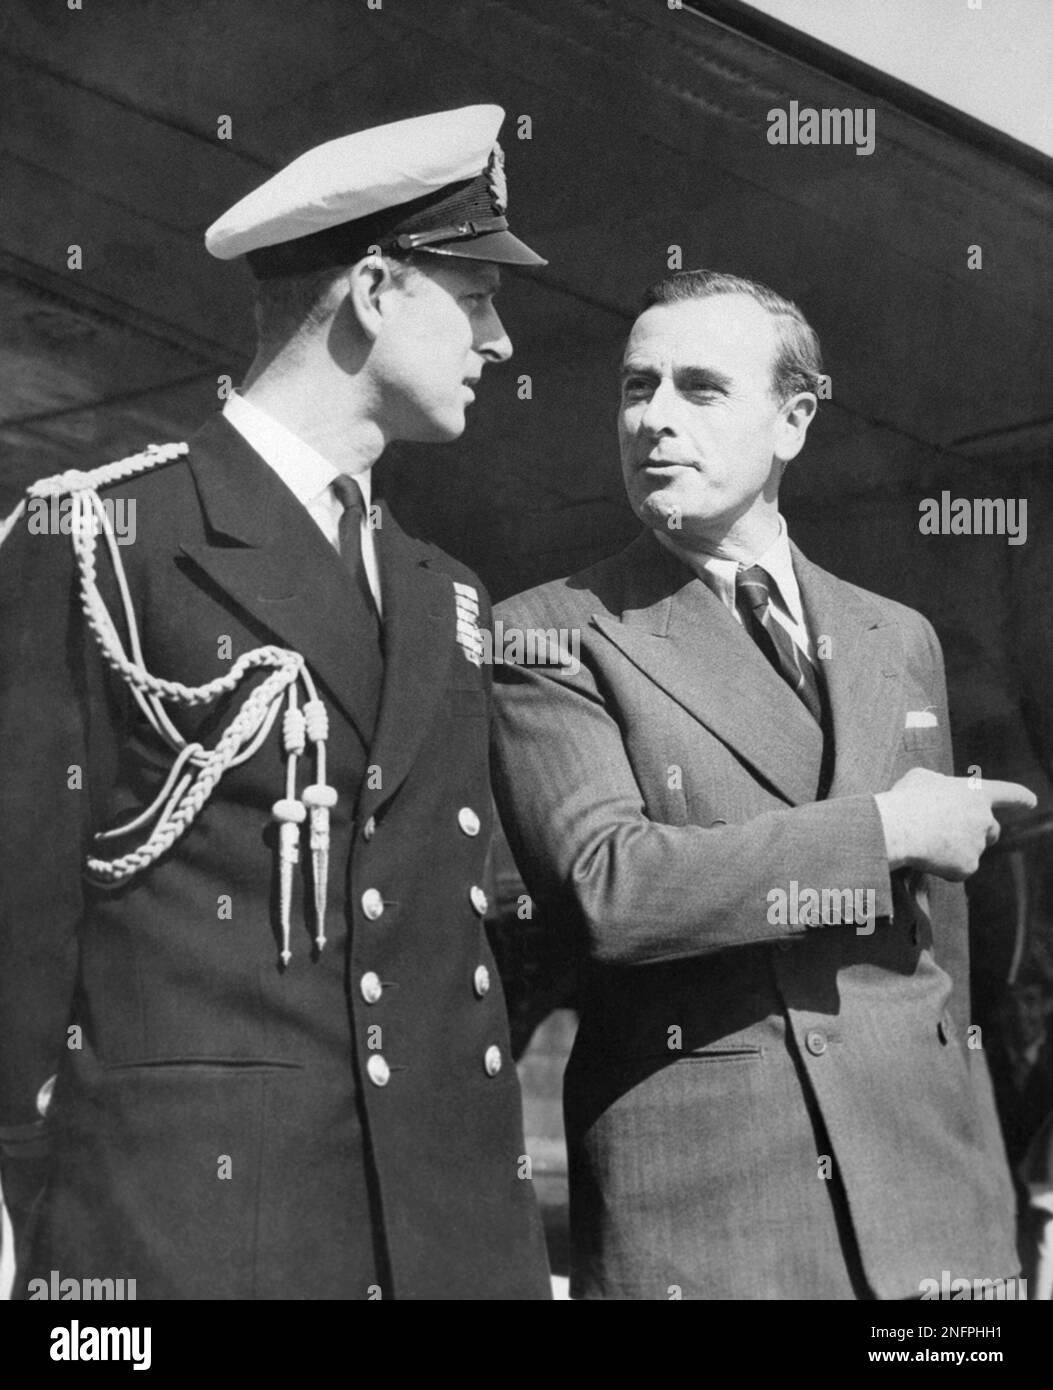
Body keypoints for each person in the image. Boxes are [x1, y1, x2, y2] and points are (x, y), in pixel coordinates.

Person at [0, 105, 551, 1300]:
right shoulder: (106, 534)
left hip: (446, 1239)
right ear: (372, 288)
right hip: (194, 1234)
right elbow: (18, 912)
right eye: (478, 295)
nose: (502, 343)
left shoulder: (444, 591)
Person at [490, 269, 1034, 1300]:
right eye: (635, 386)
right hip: (716, 1224)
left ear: (793, 421)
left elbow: (940, 966)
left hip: (938, 1215)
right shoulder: (550, 631)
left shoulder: (896, 636)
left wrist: (987, 1215)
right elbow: (615, 889)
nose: (653, 418)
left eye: (700, 389)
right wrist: (880, 828)